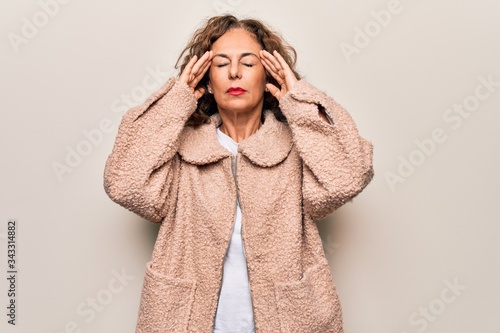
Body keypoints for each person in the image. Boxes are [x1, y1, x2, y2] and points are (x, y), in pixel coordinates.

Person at [103, 14, 374, 333]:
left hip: (290, 322)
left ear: (268, 76)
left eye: (248, 63)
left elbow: (346, 177)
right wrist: (174, 102)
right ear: (205, 79)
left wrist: (299, 100)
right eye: (220, 65)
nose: (234, 72)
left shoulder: (295, 148)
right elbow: (123, 183)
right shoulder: (181, 149)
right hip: (183, 321)